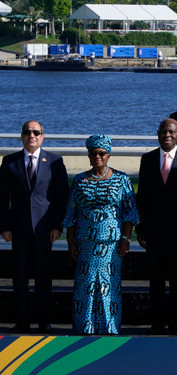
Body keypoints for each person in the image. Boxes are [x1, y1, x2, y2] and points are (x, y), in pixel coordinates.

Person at [62, 135, 138, 334]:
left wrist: (126, 239)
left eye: (101, 153)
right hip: (86, 243)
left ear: (108, 155)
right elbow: (71, 212)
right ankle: (84, 326)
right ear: (88, 155)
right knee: (85, 285)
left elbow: (130, 212)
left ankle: (109, 327)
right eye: (93, 153)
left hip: (112, 245)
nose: (97, 156)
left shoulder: (122, 179)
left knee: (109, 285)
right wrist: (70, 242)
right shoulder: (79, 180)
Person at [1, 120, 69, 333]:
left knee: (43, 277)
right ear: (22, 136)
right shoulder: (9, 162)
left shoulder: (55, 162)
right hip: (18, 230)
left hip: (45, 230)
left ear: (42, 136)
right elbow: (2, 198)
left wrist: (57, 226)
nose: (32, 135)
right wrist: (4, 226)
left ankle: (43, 320)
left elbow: (61, 197)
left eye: (36, 132)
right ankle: (22, 321)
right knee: (19, 277)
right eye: (27, 132)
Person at [136, 118, 177, 334]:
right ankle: (158, 322)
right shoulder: (148, 159)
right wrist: (140, 228)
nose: (167, 136)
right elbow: (142, 196)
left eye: (172, 132)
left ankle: (175, 322)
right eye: (163, 132)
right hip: (154, 233)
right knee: (156, 281)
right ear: (158, 134)